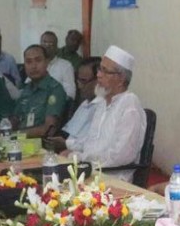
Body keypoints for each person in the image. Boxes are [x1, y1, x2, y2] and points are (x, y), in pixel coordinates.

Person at [45, 46, 146, 181]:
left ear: (121, 79)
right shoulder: (103, 103)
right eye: (100, 69)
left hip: (112, 178)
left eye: (105, 71)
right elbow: (91, 141)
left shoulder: (129, 105)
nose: (98, 75)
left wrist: (80, 158)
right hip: (90, 171)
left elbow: (120, 157)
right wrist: (69, 147)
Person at [13, 45, 67, 138]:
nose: (33, 66)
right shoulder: (25, 89)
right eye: (28, 62)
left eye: (38, 60)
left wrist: (15, 135)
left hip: (39, 146)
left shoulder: (55, 89)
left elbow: (48, 130)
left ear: (47, 62)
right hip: (18, 141)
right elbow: (15, 119)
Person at [60, 57, 100, 140]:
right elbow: (69, 132)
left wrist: (66, 144)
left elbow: (91, 142)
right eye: (78, 80)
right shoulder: (84, 104)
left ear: (98, 80)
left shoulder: (103, 107)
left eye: (83, 81)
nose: (79, 86)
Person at [40, 31, 76, 100]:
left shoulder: (66, 66)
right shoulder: (36, 65)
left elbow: (71, 94)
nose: (47, 46)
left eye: (51, 44)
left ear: (56, 47)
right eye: (44, 43)